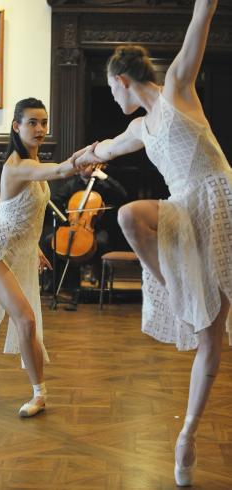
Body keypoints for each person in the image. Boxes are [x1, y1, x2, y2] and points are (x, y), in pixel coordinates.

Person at [75, 0, 231, 486]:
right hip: (184, 211)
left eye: (109, 86)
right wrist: (83, 155)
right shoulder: (139, 127)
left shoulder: (179, 91)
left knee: (213, 335)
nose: (110, 93)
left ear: (122, 80)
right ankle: (171, 288)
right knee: (127, 214)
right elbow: (108, 148)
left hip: (221, 206)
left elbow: (199, 19)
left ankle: (187, 437)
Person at [0, 97, 93, 418]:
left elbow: (17, 213)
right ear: (16, 126)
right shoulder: (18, 166)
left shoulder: (30, 164)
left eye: (43, 123)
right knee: (23, 318)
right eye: (32, 123)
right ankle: (39, 394)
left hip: (12, 247)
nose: (40, 129)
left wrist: (33, 246)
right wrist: (85, 158)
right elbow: (61, 169)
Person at [42, 164, 127, 304]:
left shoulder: (103, 184)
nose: (84, 168)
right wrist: (65, 217)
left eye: (88, 165)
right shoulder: (71, 185)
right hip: (72, 226)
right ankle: (52, 283)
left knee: (102, 242)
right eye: (82, 165)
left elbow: (122, 194)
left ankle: (101, 282)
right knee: (49, 241)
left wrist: (106, 178)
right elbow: (56, 201)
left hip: (95, 228)